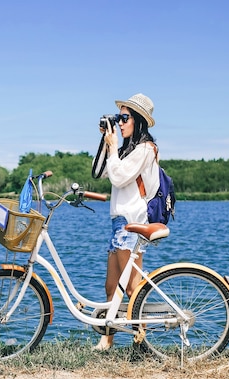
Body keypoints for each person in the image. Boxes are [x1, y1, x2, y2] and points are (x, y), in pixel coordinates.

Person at [93, 93, 160, 350]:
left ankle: (140, 342)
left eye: (124, 117)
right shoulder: (124, 149)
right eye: (118, 118)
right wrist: (106, 140)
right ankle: (106, 341)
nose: (120, 123)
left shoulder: (145, 150)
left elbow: (118, 178)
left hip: (131, 221)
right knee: (112, 286)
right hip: (118, 221)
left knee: (131, 288)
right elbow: (99, 171)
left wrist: (112, 147)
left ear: (139, 121)